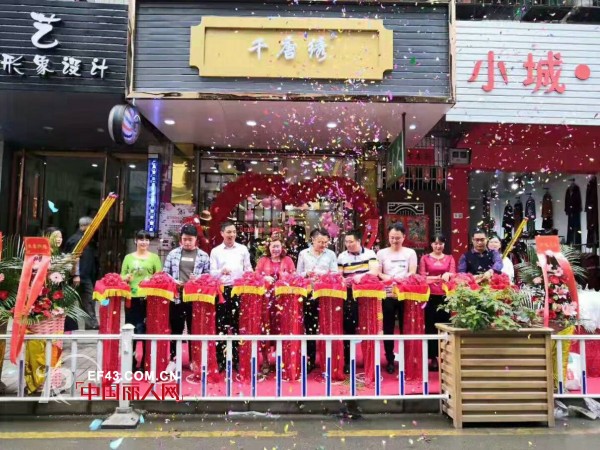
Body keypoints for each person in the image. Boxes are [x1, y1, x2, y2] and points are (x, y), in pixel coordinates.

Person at [163, 224, 210, 364]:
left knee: (193, 328)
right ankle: (173, 359)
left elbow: (208, 275)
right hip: (177, 295)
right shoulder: (173, 254)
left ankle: (194, 360)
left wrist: (198, 279)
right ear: (181, 239)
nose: (187, 242)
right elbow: (165, 273)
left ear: (196, 239)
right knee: (176, 327)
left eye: (190, 239)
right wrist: (174, 281)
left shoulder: (203, 256)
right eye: (185, 239)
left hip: (195, 298)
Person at [210, 221, 253, 371]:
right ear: (222, 233)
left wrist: (251, 278)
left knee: (237, 325)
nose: (232, 235)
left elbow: (248, 268)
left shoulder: (242, 249)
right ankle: (221, 359)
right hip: (221, 291)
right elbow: (212, 273)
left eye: (234, 232)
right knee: (221, 324)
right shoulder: (215, 251)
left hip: (238, 290)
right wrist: (221, 271)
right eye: (228, 232)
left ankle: (235, 358)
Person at [377, 222, 418, 374]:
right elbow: (378, 273)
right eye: (392, 238)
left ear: (404, 237)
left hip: (405, 293)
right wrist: (388, 277)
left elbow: (412, 271)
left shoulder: (410, 253)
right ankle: (389, 359)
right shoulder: (381, 253)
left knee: (405, 327)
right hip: (387, 293)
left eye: (398, 238)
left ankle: (408, 359)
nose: (395, 241)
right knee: (388, 328)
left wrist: (402, 279)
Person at [296, 228, 338, 372]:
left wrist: (324, 276)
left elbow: (335, 273)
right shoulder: (303, 254)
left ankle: (327, 360)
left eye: (326, 242)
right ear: (312, 240)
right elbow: (298, 274)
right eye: (320, 242)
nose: (323, 245)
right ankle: (310, 358)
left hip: (326, 294)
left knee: (327, 326)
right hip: (308, 294)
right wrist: (306, 274)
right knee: (310, 326)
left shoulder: (331, 254)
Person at [337, 229, 378, 373]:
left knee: (368, 327)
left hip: (366, 294)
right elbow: (339, 274)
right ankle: (348, 361)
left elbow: (375, 271)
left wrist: (361, 276)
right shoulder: (342, 256)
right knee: (349, 327)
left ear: (359, 241)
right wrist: (343, 280)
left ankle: (370, 362)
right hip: (349, 294)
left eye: (351, 241)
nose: (348, 244)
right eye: (346, 242)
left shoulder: (370, 254)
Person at [121, 230, 162, 371]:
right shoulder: (128, 257)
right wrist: (126, 278)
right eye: (141, 239)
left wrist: (150, 280)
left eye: (146, 239)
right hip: (131, 297)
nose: (144, 242)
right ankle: (131, 361)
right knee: (130, 329)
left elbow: (159, 277)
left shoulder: (154, 258)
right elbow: (122, 275)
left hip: (148, 298)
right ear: (135, 241)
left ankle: (146, 362)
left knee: (147, 330)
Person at [255, 234, 295, 374]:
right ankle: (265, 360)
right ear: (268, 248)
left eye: (278, 246)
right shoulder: (263, 260)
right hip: (266, 300)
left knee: (283, 327)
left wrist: (286, 277)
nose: (276, 249)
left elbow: (294, 276)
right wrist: (263, 277)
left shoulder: (288, 260)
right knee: (266, 327)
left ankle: (282, 361)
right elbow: (256, 275)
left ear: (282, 247)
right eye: (273, 246)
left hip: (284, 300)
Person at [418, 234, 456, 369]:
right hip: (430, 295)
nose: (438, 246)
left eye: (440, 243)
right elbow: (422, 277)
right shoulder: (425, 258)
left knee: (446, 324)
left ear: (444, 245)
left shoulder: (450, 258)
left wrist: (448, 275)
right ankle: (432, 357)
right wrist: (436, 278)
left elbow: (453, 274)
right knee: (430, 326)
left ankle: (446, 355)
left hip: (445, 295)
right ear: (431, 245)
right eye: (435, 243)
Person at [64, 216, 99, 330]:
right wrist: (76, 274)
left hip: (84, 275)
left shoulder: (85, 239)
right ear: (84, 227)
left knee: (85, 299)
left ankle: (89, 323)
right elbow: (75, 258)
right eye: (91, 227)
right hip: (79, 276)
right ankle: (88, 324)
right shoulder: (77, 240)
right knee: (84, 299)